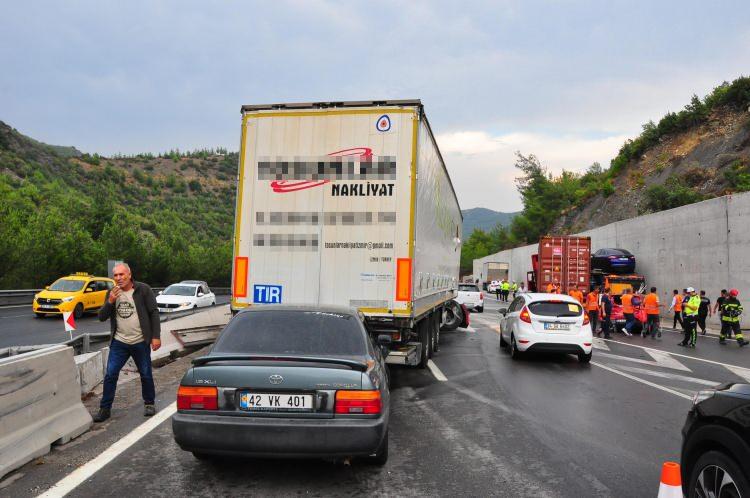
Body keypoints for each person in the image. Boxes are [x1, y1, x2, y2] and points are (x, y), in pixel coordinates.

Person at [93, 262, 161, 422]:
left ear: (129, 275)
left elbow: (154, 313)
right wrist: (110, 301)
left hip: (140, 341)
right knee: (110, 374)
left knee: (145, 373)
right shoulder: (112, 293)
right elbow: (101, 317)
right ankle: (105, 409)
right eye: (115, 275)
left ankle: (149, 403)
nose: (118, 278)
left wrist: (155, 336)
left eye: (121, 274)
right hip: (119, 342)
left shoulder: (143, 289)